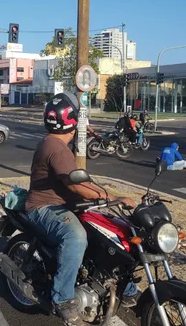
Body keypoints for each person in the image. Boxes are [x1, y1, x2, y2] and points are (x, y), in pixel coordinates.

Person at [25, 92, 137, 325]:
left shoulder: (55, 142)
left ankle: (123, 287)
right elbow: (76, 186)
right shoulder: (56, 147)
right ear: (73, 121)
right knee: (75, 236)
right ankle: (62, 298)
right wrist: (113, 197)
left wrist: (103, 195)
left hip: (65, 204)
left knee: (115, 230)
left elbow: (80, 181)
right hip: (44, 207)